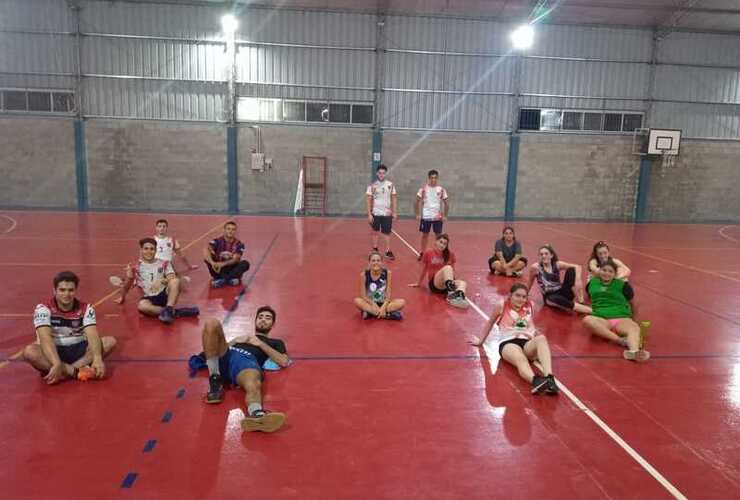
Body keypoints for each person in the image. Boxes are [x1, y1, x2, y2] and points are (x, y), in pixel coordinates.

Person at [200, 306, 290, 433]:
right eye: (260, 317)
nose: (263, 320)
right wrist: (234, 341)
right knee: (211, 323)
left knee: (253, 382)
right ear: (255, 321)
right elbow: (211, 349)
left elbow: (284, 361)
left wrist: (259, 343)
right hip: (229, 354)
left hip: (246, 362)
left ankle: (257, 415)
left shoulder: (276, 342)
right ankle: (215, 379)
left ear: (273, 324)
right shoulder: (241, 338)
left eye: (268, 318)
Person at [22, 271, 116, 384]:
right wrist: (56, 362)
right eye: (62, 290)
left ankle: (63, 372)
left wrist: (97, 358)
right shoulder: (43, 308)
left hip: (79, 349)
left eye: (70, 290)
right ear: (54, 290)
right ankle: (76, 372)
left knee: (109, 341)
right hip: (54, 351)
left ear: (75, 290)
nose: (66, 294)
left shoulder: (86, 308)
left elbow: (92, 334)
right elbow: (45, 338)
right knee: (30, 352)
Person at [470, 283, 558, 395]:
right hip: (508, 343)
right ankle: (536, 381)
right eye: (517, 295)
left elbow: (531, 325)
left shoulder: (530, 305)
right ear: (510, 295)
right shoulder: (502, 306)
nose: (521, 299)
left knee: (541, 338)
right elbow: (490, 322)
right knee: (521, 359)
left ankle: (549, 377)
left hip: (526, 343)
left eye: (524, 296)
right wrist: (480, 341)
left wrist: (535, 340)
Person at [115, 238, 199, 324]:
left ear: (156, 250)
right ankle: (175, 312)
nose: (149, 251)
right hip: (149, 298)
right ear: (141, 250)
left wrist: (162, 281)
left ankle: (169, 308)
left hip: (165, 294)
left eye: (152, 249)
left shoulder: (164, 263)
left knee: (175, 281)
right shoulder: (136, 267)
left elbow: (172, 277)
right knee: (142, 306)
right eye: (146, 249)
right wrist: (128, 281)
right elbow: (128, 286)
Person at [582, 259, 650, 362]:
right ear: (599, 270)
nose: (607, 273)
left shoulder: (622, 285)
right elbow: (589, 299)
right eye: (604, 270)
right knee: (587, 320)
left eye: (610, 271)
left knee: (634, 328)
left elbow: (633, 303)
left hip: (621, 318)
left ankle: (633, 352)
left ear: (615, 274)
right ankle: (620, 341)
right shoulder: (591, 284)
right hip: (602, 319)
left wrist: (633, 320)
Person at [527, 245, 592, 315]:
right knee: (557, 300)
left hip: (562, 291)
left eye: (546, 254)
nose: (543, 256)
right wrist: (525, 294)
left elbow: (577, 266)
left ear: (551, 255)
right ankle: (591, 311)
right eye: (541, 254)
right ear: (539, 256)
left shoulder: (557, 264)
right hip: (550, 297)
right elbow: (530, 281)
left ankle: (580, 302)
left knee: (572, 270)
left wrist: (577, 279)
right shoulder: (535, 267)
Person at [409, 233, 469, 309]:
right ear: (436, 242)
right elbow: (424, 269)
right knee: (447, 268)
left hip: (446, 285)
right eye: (440, 242)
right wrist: (418, 283)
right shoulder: (428, 253)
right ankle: (451, 294)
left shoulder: (450, 254)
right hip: (435, 284)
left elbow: (453, 270)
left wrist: (455, 282)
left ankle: (458, 297)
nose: (442, 245)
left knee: (463, 283)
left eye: (444, 244)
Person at [353, 251, 406, 320]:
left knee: (402, 302)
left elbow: (388, 293)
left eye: (378, 260)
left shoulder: (388, 273)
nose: (376, 263)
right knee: (357, 301)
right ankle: (387, 314)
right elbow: (363, 295)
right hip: (370, 303)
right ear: (369, 262)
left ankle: (371, 313)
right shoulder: (364, 275)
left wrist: (383, 307)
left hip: (384, 303)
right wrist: (373, 304)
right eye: (373, 260)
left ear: (381, 262)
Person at [204, 221, 250, 288]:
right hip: (219, 270)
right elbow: (205, 250)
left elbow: (236, 259)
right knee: (207, 257)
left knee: (245, 263)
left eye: (233, 229)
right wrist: (212, 262)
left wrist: (223, 264)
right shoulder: (217, 241)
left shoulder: (239, 244)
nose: (230, 231)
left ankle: (222, 281)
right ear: (224, 230)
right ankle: (230, 280)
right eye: (228, 229)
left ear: (235, 231)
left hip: (232, 269)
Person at [366, 164, 397, 260]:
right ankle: (375, 249)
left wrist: (395, 212)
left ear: (385, 174)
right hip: (375, 213)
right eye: (380, 173)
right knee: (375, 231)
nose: (381, 175)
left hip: (387, 213)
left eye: (383, 173)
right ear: (377, 173)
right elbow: (368, 200)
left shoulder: (390, 185)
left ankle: (387, 251)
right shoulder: (372, 186)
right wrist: (369, 214)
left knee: (387, 233)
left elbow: (394, 198)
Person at [415, 169, 449, 258]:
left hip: (437, 217)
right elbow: (416, 202)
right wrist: (418, 214)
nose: (433, 180)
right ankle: (422, 253)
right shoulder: (423, 189)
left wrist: (445, 215)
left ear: (437, 178)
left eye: (435, 178)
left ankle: (438, 252)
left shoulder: (441, 190)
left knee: (438, 236)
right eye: (431, 178)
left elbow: (446, 203)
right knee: (424, 235)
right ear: (428, 178)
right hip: (426, 217)